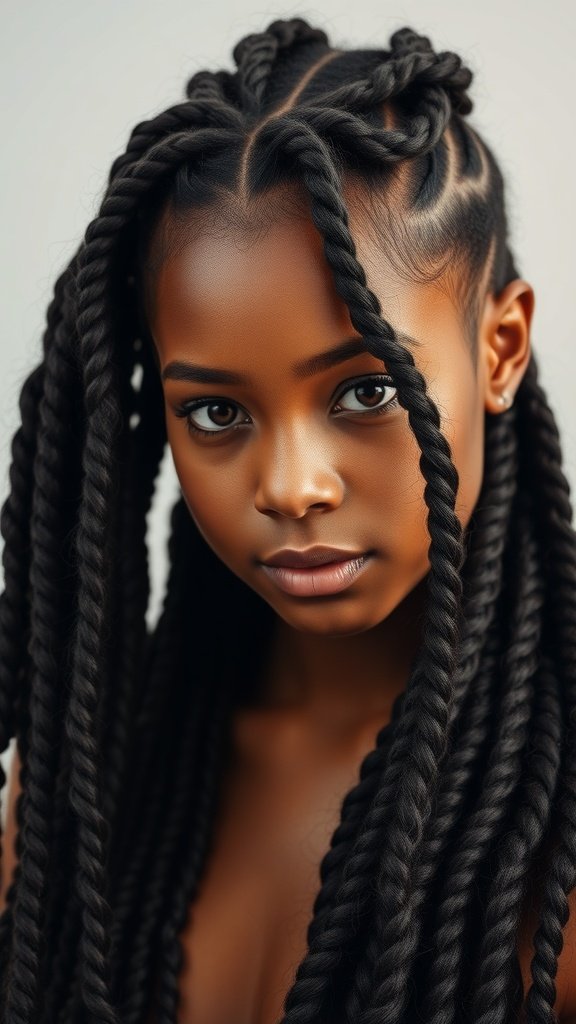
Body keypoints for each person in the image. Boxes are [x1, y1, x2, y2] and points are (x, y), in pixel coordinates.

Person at [1, 13, 575, 1024]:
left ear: (501, 347)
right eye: (216, 411)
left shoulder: (547, 820)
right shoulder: (81, 794)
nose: (292, 485)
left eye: (364, 393)